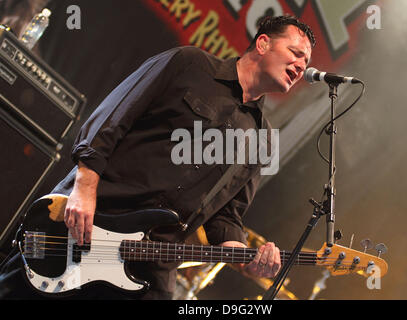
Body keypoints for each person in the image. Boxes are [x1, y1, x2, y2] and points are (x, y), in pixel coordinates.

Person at [53, 15, 315, 299]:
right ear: (263, 43)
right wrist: (85, 187)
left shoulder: (263, 140)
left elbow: (226, 217)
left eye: (306, 62)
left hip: (153, 262)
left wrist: (247, 259)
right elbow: (113, 117)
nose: (301, 66)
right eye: (296, 53)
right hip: (93, 219)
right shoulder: (190, 64)